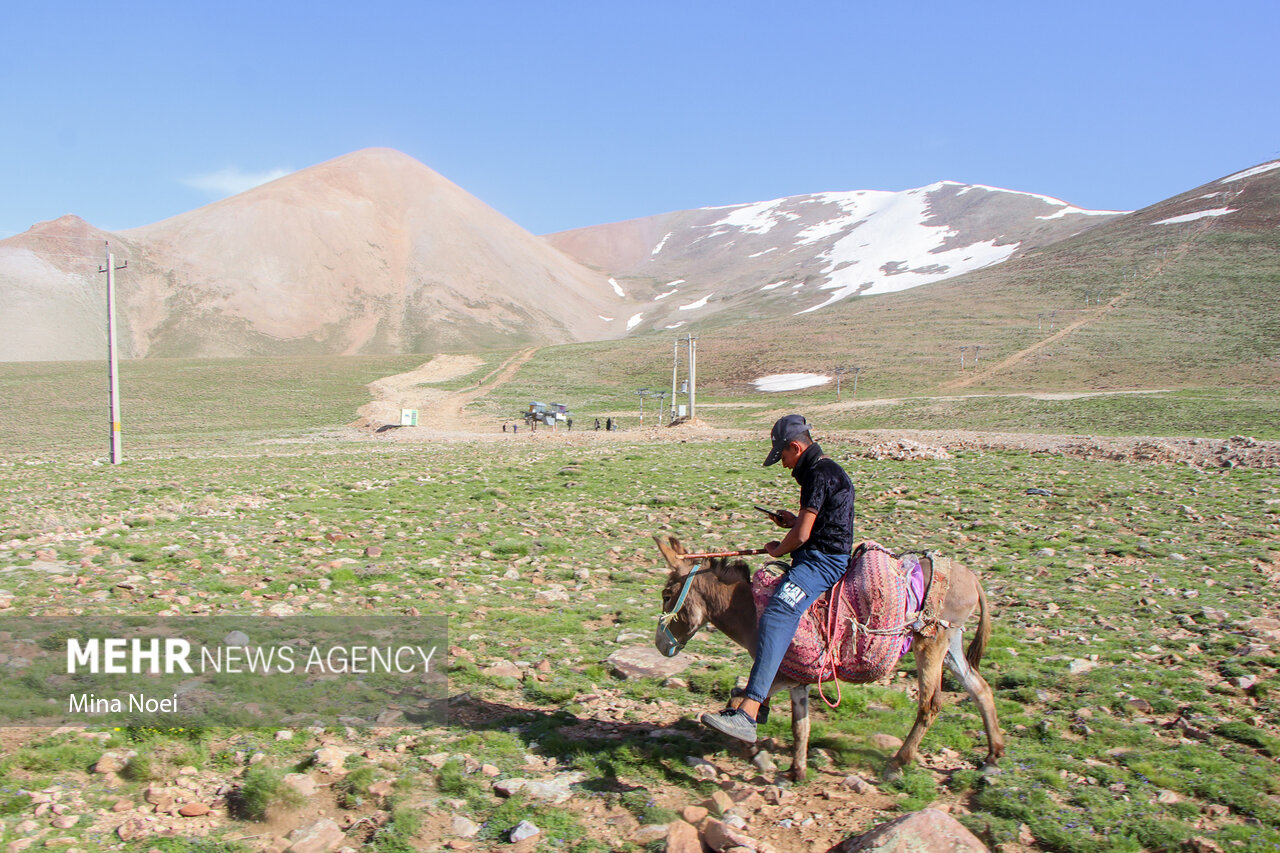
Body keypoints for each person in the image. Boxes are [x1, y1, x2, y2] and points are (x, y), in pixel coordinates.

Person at [701, 414, 855, 743]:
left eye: (783, 456)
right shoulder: (826, 470)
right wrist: (791, 520)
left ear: (796, 447)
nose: (784, 464)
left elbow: (802, 536)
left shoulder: (817, 474)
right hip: (820, 554)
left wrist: (778, 549)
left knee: (775, 617)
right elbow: (814, 522)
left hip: (823, 562)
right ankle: (764, 698)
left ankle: (748, 713)